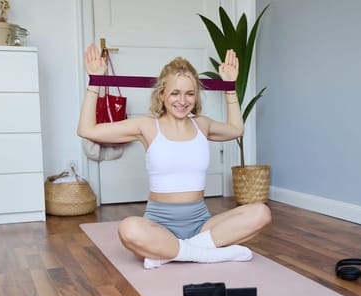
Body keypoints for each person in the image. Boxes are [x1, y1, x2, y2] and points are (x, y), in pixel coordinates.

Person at [77, 44, 271, 269]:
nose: (183, 101)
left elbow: (236, 129)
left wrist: (229, 86)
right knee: (128, 229)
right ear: (162, 93)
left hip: (201, 224)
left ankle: (176, 252)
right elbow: (87, 130)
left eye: (190, 93)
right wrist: (95, 82)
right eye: (175, 93)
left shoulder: (202, 125)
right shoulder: (146, 126)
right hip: (159, 226)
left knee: (261, 212)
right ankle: (205, 253)